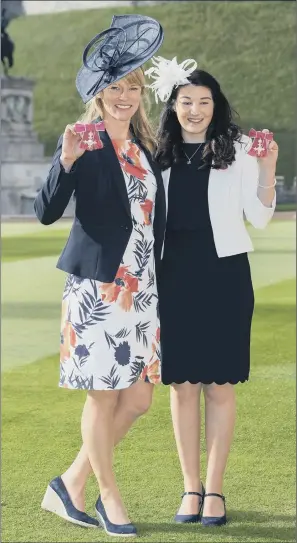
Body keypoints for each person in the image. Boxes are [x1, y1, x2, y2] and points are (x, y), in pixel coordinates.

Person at [34, 15, 165, 537]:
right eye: (114, 86)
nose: (124, 95)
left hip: (142, 289)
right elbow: (47, 212)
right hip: (98, 289)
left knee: (137, 399)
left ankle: (69, 483)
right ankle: (108, 496)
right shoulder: (83, 143)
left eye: (132, 86)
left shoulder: (143, 149)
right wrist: (64, 161)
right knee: (104, 395)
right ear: (98, 93)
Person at [145, 56, 278, 526]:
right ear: (173, 105)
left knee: (220, 386)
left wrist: (268, 167)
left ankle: (215, 491)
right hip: (173, 278)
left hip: (224, 277)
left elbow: (259, 216)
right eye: (187, 102)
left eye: (204, 102)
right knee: (182, 388)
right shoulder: (155, 154)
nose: (196, 109)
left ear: (216, 106)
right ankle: (190, 489)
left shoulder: (238, 149)